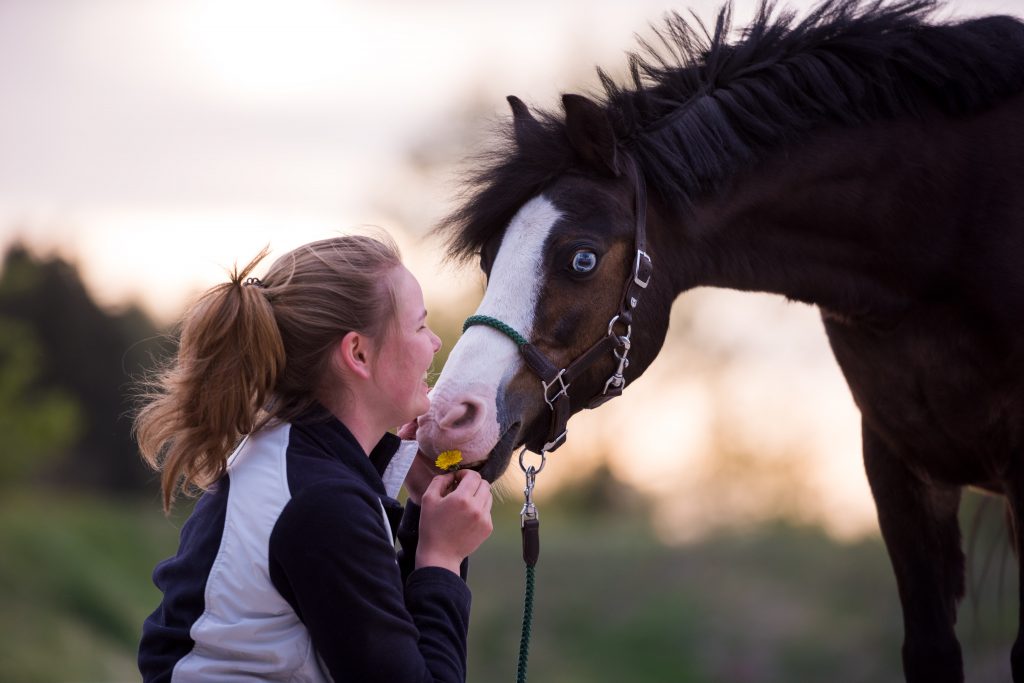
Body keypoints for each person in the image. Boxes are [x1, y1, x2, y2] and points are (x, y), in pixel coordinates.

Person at [134, 234, 493, 682]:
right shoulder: (322, 502)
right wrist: (442, 557)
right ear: (358, 353)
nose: (436, 343)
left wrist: (421, 514)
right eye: (419, 327)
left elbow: (380, 637)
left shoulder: (289, 460)